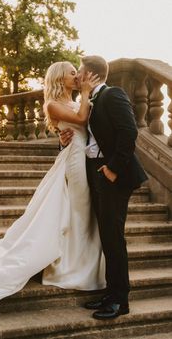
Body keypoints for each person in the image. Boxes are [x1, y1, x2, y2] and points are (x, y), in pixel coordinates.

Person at [0, 61, 106, 306]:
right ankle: (69, 268)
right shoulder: (52, 104)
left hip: (82, 155)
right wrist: (84, 95)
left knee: (81, 212)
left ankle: (82, 265)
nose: (77, 76)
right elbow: (81, 120)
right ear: (60, 77)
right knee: (80, 211)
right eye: (72, 73)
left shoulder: (72, 100)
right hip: (74, 159)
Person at [60, 55, 148, 320]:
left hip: (115, 177)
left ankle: (120, 301)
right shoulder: (90, 100)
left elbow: (129, 132)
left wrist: (113, 169)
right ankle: (110, 293)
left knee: (113, 239)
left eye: (81, 72)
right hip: (96, 174)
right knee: (107, 238)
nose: (77, 77)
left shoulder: (112, 95)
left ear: (91, 74)